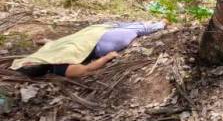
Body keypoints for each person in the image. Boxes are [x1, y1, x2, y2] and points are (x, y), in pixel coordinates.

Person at [11, 21, 166, 78]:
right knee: (133, 31)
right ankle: (160, 25)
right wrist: (106, 58)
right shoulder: (59, 68)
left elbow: (60, 46)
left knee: (115, 24)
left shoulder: (45, 54)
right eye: (28, 64)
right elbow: (86, 70)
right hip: (99, 45)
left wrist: (46, 41)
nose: (28, 61)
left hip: (88, 34)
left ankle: (151, 23)